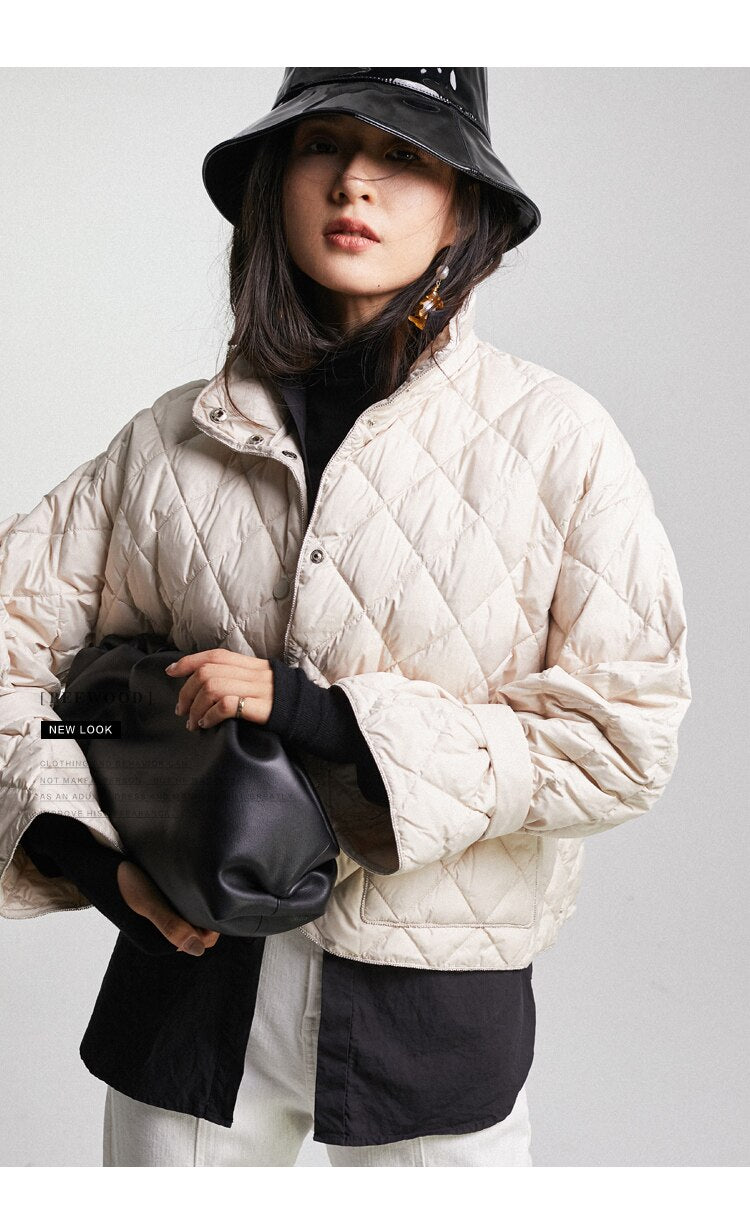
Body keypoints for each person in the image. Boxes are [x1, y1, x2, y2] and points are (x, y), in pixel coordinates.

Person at [0, 67, 691, 1167]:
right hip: (184, 994)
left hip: (431, 1013)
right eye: (322, 145)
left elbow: (621, 739)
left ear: (463, 208)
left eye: (405, 156)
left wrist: (318, 714)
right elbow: (17, 661)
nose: (354, 181)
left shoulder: (558, 442)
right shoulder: (165, 442)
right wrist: (88, 852)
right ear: (275, 183)